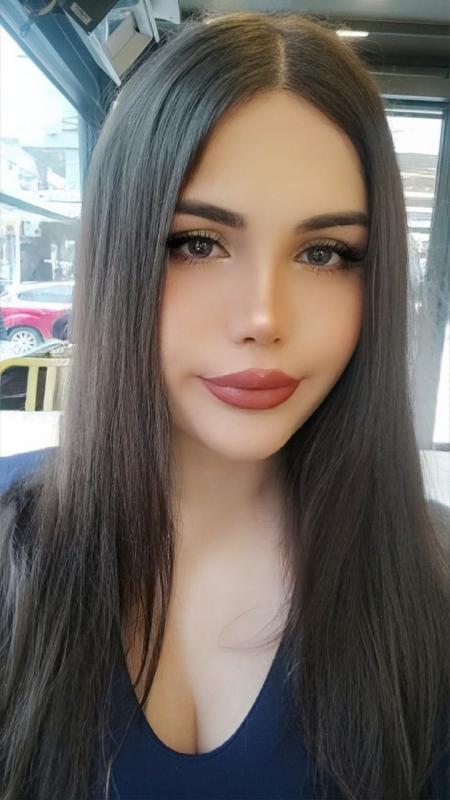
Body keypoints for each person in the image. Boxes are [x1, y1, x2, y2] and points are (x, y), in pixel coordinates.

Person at [0, 10, 448, 800]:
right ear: (119, 254)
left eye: (324, 253)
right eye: (198, 243)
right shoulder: (12, 542)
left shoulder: (431, 583)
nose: (264, 318)